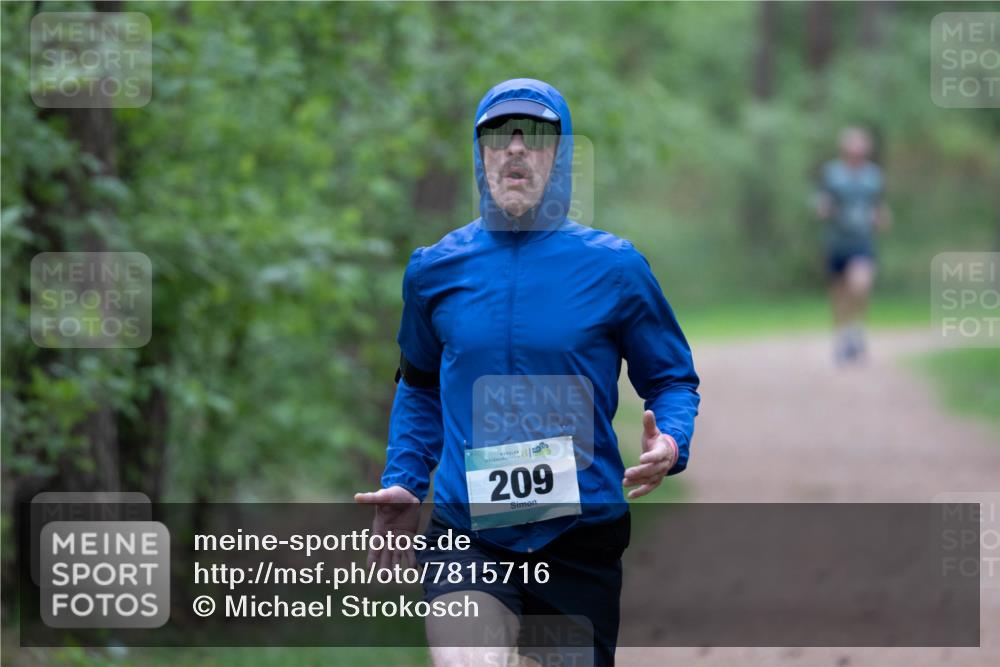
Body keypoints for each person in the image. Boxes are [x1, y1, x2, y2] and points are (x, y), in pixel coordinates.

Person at [355, 78, 700, 666]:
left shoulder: (615, 269)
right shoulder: (434, 271)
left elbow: (671, 379)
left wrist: (671, 439)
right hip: (468, 531)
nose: (515, 148)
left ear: (559, 155)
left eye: (534, 134)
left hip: (576, 536)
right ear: (479, 153)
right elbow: (418, 382)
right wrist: (406, 480)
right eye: (498, 135)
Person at [816, 126, 892, 365]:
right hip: (838, 242)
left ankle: (857, 331)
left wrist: (882, 217)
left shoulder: (873, 176)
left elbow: (879, 205)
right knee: (839, 294)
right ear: (845, 149)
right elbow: (822, 201)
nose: (857, 152)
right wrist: (825, 209)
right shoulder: (832, 174)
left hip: (862, 242)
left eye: (861, 148)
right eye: (853, 147)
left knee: (860, 286)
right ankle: (842, 338)